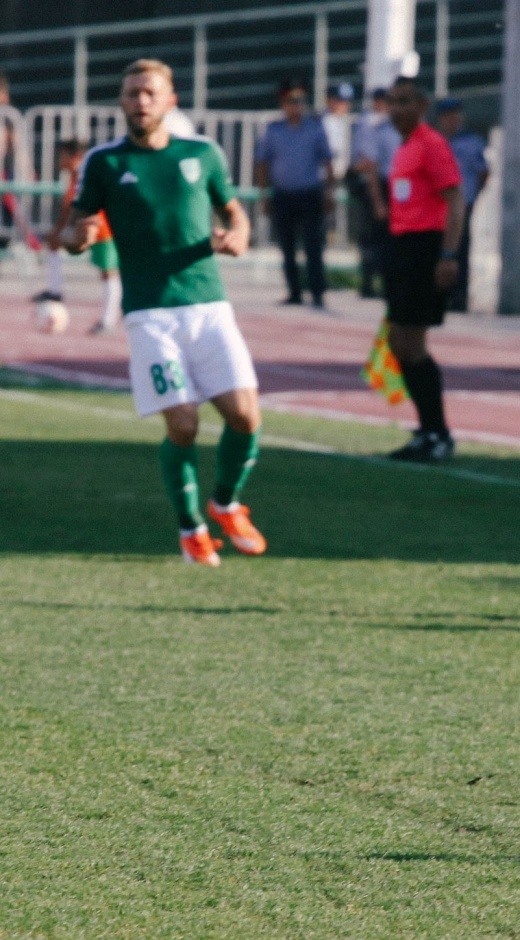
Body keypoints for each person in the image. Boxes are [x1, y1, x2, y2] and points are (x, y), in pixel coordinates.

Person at [63, 59, 265, 567]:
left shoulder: (202, 153)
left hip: (209, 305)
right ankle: (191, 527)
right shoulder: (104, 162)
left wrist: (239, 236)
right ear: (121, 101)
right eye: (133, 93)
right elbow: (72, 227)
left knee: (245, 416)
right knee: (183, 424)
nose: (141, 101)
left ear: (171, 101)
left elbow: (233, 209)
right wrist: (77, 238)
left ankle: (226, 504)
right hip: (150, 314)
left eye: (151, 93)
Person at [381, 76, 466, 463]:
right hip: (403, 246)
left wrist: (448, 254)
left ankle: (438, 433)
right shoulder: (405, 147)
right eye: (392, 102)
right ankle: (427, 429)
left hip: (425, 247)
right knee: (398, 341)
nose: (396, 109)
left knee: (411, 342)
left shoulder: (431, 144)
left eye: (404, 101)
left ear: (421, 105)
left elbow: (455, 199)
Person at [254, 79, 334, 309]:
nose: (296, 106)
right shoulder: (274, 130)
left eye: (300, 101)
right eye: (291, 101)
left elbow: (327, 161)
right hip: (283, 195)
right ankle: (294, 292)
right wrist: (264, 195)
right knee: (287, 247)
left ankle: (317, 292)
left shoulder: (315, 128)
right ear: (283, 103)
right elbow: (262, 163)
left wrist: (329, 193)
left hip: (310, 194)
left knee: (313, 246)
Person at [39, 140, 123, 334]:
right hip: (84, 229)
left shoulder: (86, 175)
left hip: (101, 230)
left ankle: (108, 320)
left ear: (75, 157)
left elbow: (72, 207)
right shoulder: (74, 176)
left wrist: (59, 229)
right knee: (54, 245)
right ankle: (55, 291)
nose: (59, 160)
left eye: (63, 156)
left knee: (109, 272)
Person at [436, 97, 489, 312]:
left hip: (462, 203)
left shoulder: (471, 142)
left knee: (461, 248)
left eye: (456, 116)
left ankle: (460, 297)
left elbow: (483, 172)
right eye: (448, 116)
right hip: (438, 206)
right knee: (439, 249)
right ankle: (441, 295)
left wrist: (474, 196)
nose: (452, 120)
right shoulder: (435, 142)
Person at [352, 88, 401, 297]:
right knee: (372, 238)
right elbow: (369, 165)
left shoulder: (400, 127)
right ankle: (370, 282)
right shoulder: (371, 126)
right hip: (379, 186)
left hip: (398, 186)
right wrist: (378, 201)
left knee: (394, 240)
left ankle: (390, 282)